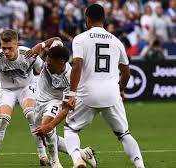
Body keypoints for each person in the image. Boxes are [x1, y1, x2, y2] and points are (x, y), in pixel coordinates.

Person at [35, 4, 145, 168]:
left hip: (87, 94)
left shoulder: (80, 39)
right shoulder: (117, 42)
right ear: (104, 19)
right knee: (124, 134)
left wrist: (72, 94)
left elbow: (77, 66)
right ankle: (140, 165)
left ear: (87, 18)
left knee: (71, 129)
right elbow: (127, 73)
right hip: (111, 94)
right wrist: (121, 89)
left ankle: (78, 160)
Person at [0, 29, 50, 167]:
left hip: (27, 87)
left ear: (17, 45)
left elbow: (45, 72)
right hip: (6, 90)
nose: (6, 51)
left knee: (31, 114)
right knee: (3, 120)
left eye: (10, 48)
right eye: (3, 48)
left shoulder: (29, 54)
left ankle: (43, 156)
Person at [26, 39, 97, 168]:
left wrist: (50, 125)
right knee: (42, 132)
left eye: (51, 63)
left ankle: (55, 163)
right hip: (39, 99)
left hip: (55, 101)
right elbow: (57, 39)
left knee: (46, 128)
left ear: (61, 62)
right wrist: (40, 45)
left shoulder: (71, 78)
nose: (47, 65)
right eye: (47, 61)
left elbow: (66, 108)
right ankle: (84, 154)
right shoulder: (55, 51)